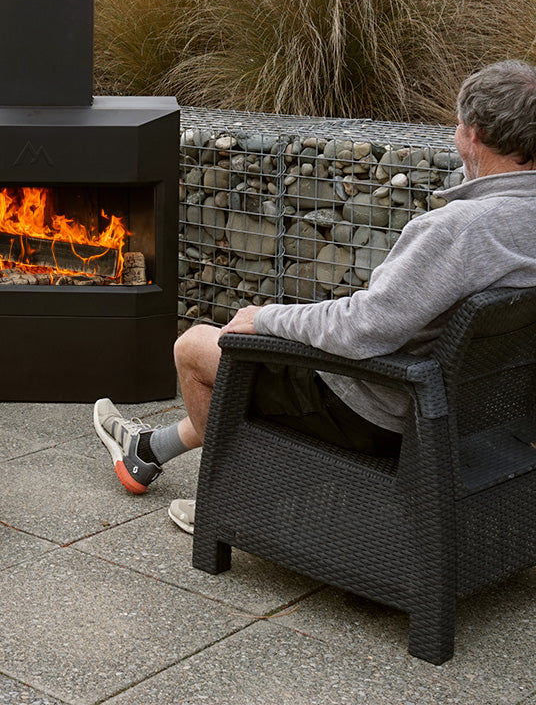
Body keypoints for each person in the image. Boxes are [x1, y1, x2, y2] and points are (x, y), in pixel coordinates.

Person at [94, 59, 536, 534]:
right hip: (472, 411)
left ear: (473, 134)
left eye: (456, 126)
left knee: (197, 347)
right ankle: (150, 449)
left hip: (381, 410)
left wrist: (267, 319)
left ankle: (227, 506)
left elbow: (362, 328)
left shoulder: (459, 229)